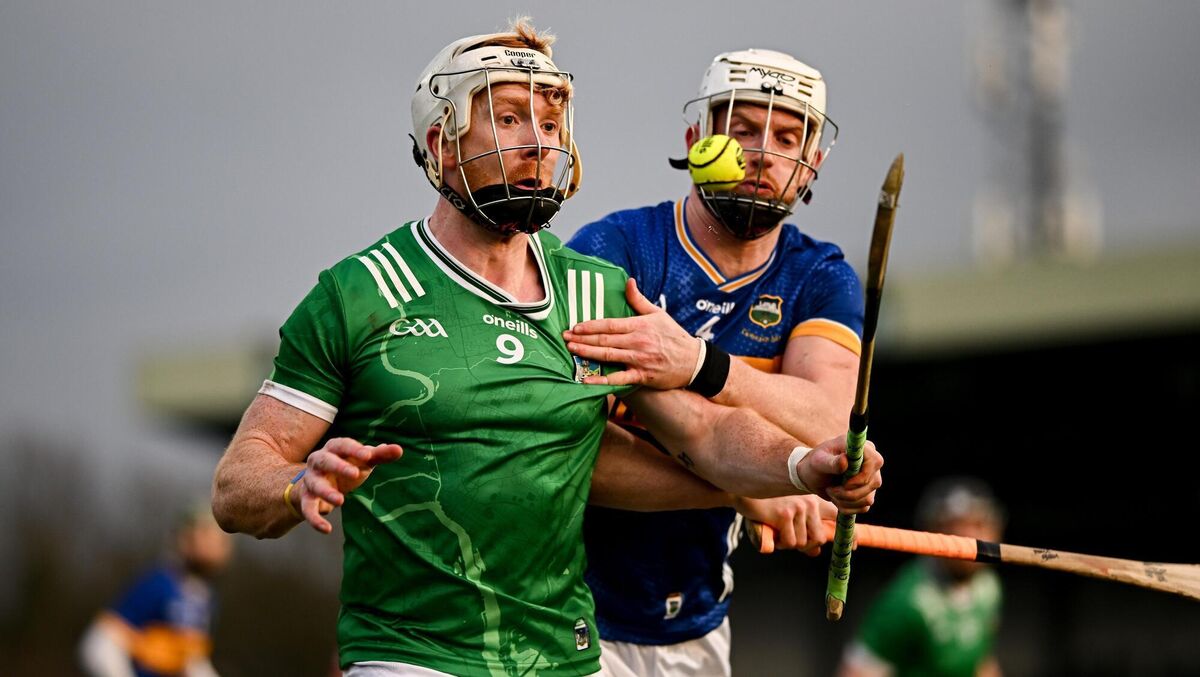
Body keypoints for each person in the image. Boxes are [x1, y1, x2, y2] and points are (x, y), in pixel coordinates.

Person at [210, 20, 883, 677]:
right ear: (442, 142)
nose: (538, 141)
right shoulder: (357, 294)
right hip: (411, 655)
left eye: (552, 124)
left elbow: (702, 432)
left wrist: (797, 464)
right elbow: (238, 483)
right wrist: (296, 482)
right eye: (508, 118)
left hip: (565, 654)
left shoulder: (594, 290)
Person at [564, 48, 860, 675]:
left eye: (787, 137)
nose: (764, 153)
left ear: (812, 163)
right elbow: (570, 448)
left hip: (700, 624)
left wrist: (699, 364)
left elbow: (825, 422)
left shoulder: (820, 277)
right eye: (744, 129)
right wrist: (753, 487)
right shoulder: (613, 249)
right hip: (563, 611)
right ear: (698, 136)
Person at [838, 477, 1006, 677]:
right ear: (932, 532)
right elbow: (856, 672)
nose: (969, 536)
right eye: (955, 525)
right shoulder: (905, 601)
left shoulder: (989, 587)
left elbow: (981, 659)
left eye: (979, 524)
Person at [79, 504, 232, 677]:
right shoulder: (159, 584)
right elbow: (100, 642)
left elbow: (191, 660)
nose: (216, 543)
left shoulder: (207, 599)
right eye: (206, 533)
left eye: (222, 538)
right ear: (184, 538)